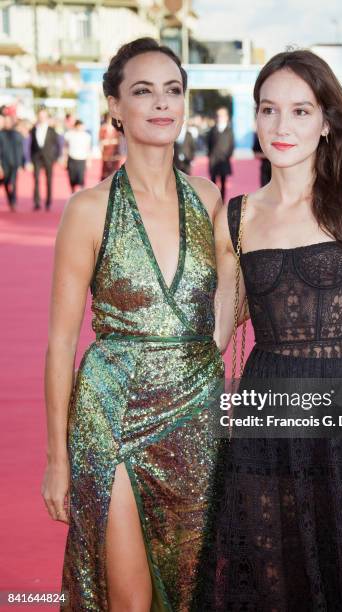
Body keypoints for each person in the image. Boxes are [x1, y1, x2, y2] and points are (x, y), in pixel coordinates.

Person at [194, 50, 342, 610]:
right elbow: (222, 324)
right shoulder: (238, 214)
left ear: (326, 121)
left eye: (300, 111)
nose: (281, 126)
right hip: (264, 410)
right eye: (268, 110)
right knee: (270, 570)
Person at [40, 37, 224, 611]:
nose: (161, 103)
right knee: (130, 597)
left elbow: (232, 305)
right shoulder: (89, 209)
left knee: (192, 590)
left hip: (197, 417)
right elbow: (60, 342)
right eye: (143, 91)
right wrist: (55, 458)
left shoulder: (210, 199)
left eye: (173, 90)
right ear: (115, 106)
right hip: (112, 414)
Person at [30, 108, 59, 210]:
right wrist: (30, 159)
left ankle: (48, 202)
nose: (41, 118)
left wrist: (55, 157)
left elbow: (57, 144)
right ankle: (37, 202)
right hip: (36, 158)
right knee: (36, 180)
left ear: (46, 118)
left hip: (48, 158)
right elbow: (31, 145)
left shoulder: (51, 130)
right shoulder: (33, 129)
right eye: (40, 116)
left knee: (49, 180)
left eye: (43, 116)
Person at [207, 106, 234, 200]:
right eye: (218, 115)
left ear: (226, 117)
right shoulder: (212, 130)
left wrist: (227, 156)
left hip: (224, 160)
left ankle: (222, 200)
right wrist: (211, 156)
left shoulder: (229, 131)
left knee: (223, 181)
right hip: (214, 160)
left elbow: (231, 145)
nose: (220, 117)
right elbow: (209, 144)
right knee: (213, 182)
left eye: (222, 115)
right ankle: (213, 199)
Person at [0, 115, 24, 211]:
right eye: (5, 121)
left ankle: (13, 201)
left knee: (13, 183)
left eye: (8, 121)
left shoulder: (17, 134)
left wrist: (20, 164)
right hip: (4, 163)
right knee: (5, 183)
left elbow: (20, 150)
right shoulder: (1, 134)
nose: (7, 123)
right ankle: (10, 200)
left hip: (14, 164)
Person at [63, 120, 91, 193]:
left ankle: (81, 194)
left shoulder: (86, 136)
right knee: (72, 178)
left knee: (81, 178)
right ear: (76, 126)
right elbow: (65, 147)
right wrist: (65, 159)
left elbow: (88, 149)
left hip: (82, 159)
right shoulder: (69, 135)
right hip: (72, 158)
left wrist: (89, 161)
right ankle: (73, 192)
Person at [99, 112, 121, 180]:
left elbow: (119, 140)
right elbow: (101, 141)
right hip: (106, 153)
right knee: (106, 171)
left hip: (115, 152)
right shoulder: (103, 128)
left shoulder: (117, 129)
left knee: (115, 170)